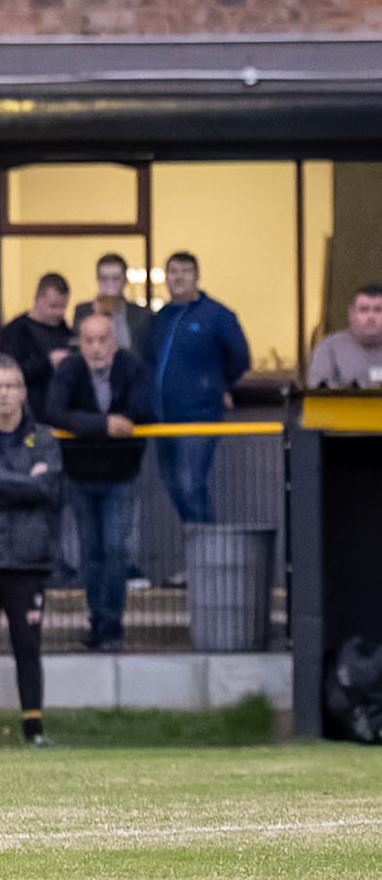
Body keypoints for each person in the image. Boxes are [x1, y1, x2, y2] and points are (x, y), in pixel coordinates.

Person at [44, 312, 152, 652]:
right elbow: (55, 411)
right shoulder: (70, 369)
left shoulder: (131, 368)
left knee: (115, 549)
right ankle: (98, 621)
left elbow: (142, 409)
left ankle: (111, 626)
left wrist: (88, 423)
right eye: (88, 340)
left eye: (102, 339)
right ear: (81, 343)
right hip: (80, 475)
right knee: (90, 553)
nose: (96, 348)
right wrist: (103, 425)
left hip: (121, 475)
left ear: (114, 342)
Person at [147, 252, 248, 526]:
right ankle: (198, 547)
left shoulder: (217, 315)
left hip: (198, 416)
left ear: (197, 277)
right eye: (173, 272)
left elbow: (241, 357)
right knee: (173, 484)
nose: (178, 277)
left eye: (185, 271)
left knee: (191, 485)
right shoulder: (160, 318)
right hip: (163, 419)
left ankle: (206, 549)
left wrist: (217, 385)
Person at [0, 355, 60, 747]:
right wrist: (25, 481)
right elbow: (33, 486)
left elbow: (47, 489)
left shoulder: (44, 438)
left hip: (27, 560)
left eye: (10, 386)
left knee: (28, 646)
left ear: (23, 391)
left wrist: (15, 484)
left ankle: (34, 730)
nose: (4, 395)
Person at [0, 274, 73, 420]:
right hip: (30, 413)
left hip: (62, 412)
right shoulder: (15, 331)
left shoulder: (65, 331)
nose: (59, 313)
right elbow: (11, 373)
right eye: (53, 306)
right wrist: (48, 363)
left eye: (63, 307)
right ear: (37, 298)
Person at [73, 253, 152, 362]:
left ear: (125, 281)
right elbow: (78, 350)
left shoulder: (140, 314)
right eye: (104, 279)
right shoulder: (83, 311)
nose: (110, 285)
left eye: (115, 279)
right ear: (98, 280)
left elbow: (144, 355)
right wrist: (98, 314)